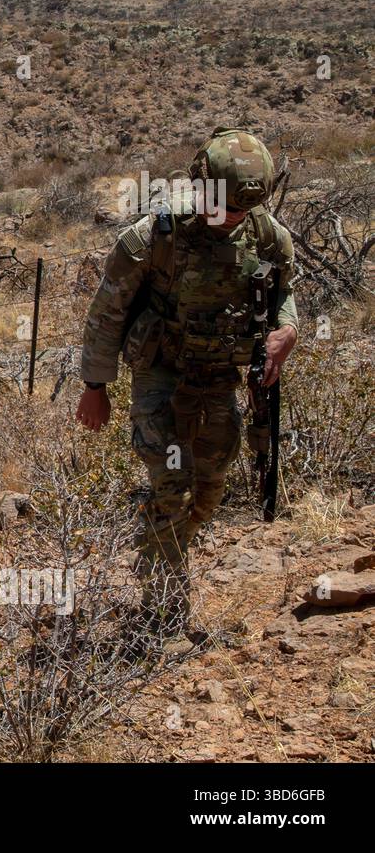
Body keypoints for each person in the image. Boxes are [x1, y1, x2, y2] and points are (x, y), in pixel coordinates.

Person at [76, 127, 299, 636]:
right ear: (199, 187)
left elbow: (283, 293)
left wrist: (289, 331)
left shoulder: (267, 237)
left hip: (217, 372)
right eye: (223, 207)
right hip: (160, 368)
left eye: (243, 212)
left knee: (210, 487)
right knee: (174, 486)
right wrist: (95, 386)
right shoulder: (154, 235)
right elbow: (107, 313)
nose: (232, 220)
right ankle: (164, 614)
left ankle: (158, 533)